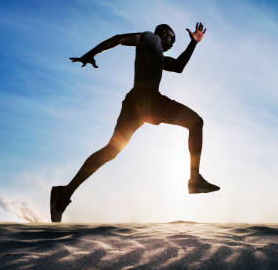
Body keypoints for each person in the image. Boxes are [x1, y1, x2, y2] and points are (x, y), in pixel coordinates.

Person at [50, 22, 219, 222]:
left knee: (110, 150)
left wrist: (193, 44)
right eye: (171, 39)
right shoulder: (152, 38)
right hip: (148, 100)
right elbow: (119, 38)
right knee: (196, 122)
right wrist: (91, 53)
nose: (172, 44)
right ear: (163, 33)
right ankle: (195, 179)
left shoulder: (156, 55)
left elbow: (179, 67)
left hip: (136, 106)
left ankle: (65, 193)